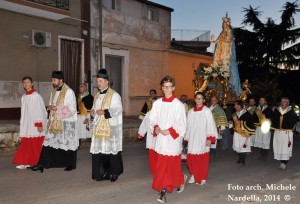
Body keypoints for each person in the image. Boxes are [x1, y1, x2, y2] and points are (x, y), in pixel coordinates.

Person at [31, 71, 78, 173]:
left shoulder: (69, 91)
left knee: (67, 143)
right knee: (48, 143)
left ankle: (70, 164)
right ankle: (42, 165)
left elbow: (73, 108)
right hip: (54, 121)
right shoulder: (53, 91)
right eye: (52, 80)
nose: (53, 82)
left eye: (54, 80)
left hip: (65, 122)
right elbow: (51, 104)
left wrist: (58, 109)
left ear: (61, 80)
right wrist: (50, 107)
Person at [149, 76, 187, 203]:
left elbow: (182, 124)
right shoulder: (157, 104)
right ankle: (179, 180)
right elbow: (152, 119)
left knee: (171, 167)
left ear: (173, 88)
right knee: (163, 167)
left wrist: (170, 131)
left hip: (172, 139)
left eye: (169, 86)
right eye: (165, 86)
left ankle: (164, 190)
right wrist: (156, 127)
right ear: (162, 88)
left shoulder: (178, 105)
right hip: (161, 138)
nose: (167, 89)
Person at [90, 69, 123, 182]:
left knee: (111, 151)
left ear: (106, 82)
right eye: (97, 81)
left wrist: (105, 112)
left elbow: (118, 109)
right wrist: (92, 112)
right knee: (101, 151)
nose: (98, 83)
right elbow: (94, 108)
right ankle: (102, 173)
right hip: (98, 128)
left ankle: (114, 173)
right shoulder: (96, 96)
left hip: (110, 127)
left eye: (100, 81)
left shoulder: (114, 95)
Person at [12, 76, 47, 169]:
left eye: (28, 82)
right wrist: (22, 123)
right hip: (27, 124)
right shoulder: (24, 97)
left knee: (35, 145)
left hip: (35, 125)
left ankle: (36, 162)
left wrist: (39, 124)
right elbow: (24, 112)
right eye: (24, 82)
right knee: (26, 144)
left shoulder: (36, 96)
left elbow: (40, 110)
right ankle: (25, 162)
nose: (26, 84)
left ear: (32, 84)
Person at [185, 92, 218, 185]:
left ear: (203, 100)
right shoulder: (191, 112)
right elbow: (188, 126)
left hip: (202, 137)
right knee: (191, 158)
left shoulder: (207, 111)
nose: (199, 100)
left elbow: (211, 125)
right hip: (192, 138)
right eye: (197, 98)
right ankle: (194, 174)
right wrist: (186, 138)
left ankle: (202, 176)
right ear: (194, 99)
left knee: (202, 159)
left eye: (201, 98)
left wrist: (210, 138)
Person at [272, 97, 298, 170]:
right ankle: (281, 160)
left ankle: (284, 162)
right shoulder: (277, 111)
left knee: (285, 148)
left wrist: (287, 126)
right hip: (278, 132)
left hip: (286, 133)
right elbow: (273, 119)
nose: (283, 103)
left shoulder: (291, 112)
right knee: (278, 146)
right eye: (282, 101)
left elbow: (295, 120)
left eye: (285, 101)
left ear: (288, 103)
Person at [137, 97, 158, 174]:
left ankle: (161, 170)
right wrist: (141, 133)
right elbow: (144, 124)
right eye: (153, 103)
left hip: (161, 138)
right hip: (151, 138)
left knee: (160, 155)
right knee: (152, 155)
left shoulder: (163, 113)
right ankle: (154, 170)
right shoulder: (149, 113)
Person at [232, 100, 255, 165]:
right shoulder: (235, 114)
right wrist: (231, 122)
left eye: (235, 105)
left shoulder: (247, 114)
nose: (234, 106)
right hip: (237, 133)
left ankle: (243, 159)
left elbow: (250, 124)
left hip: (244, 133)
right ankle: (240, 158)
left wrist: (243, 125)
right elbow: (233, 121)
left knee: (243, 146)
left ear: (239, 106)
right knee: (238, 145)